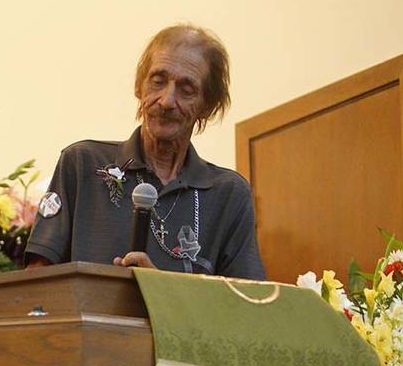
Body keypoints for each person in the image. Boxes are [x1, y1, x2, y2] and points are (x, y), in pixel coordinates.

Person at [25, 24, 265, 279]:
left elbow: (244, 305)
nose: (166, 101)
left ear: (208, 105)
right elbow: (36, 281)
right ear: (139, 86)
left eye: (186, 90)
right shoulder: (83, 164)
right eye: (158, 81)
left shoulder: (228, 195)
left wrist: (158, 289)